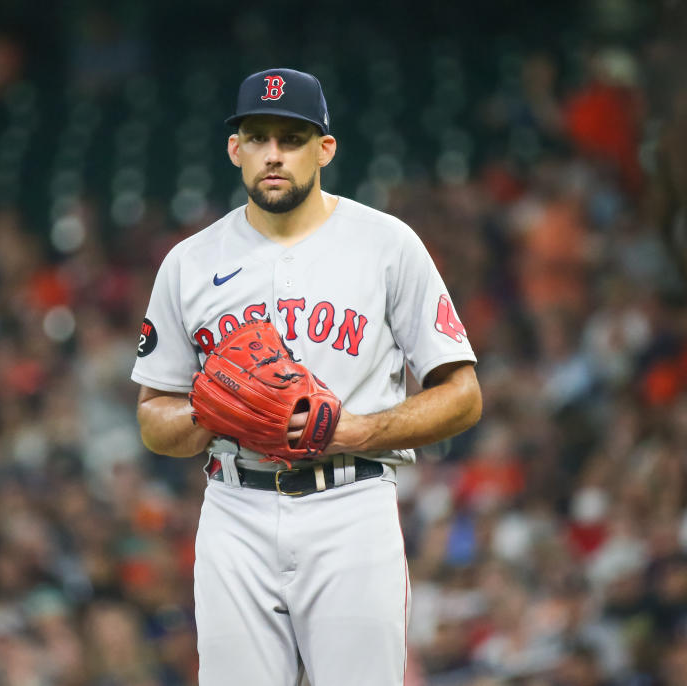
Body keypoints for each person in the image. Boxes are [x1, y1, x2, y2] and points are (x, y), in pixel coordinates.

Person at [131, 67, 482, 686]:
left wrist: (358, 430)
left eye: (292, 139)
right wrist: (212, 409)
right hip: (235, 509)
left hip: (353, 507)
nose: (274, 154)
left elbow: (463, 396)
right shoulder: (187, 264)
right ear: (234, 149)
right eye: (258, 137)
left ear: (325, 149)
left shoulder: (387, 245)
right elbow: (153, 418)